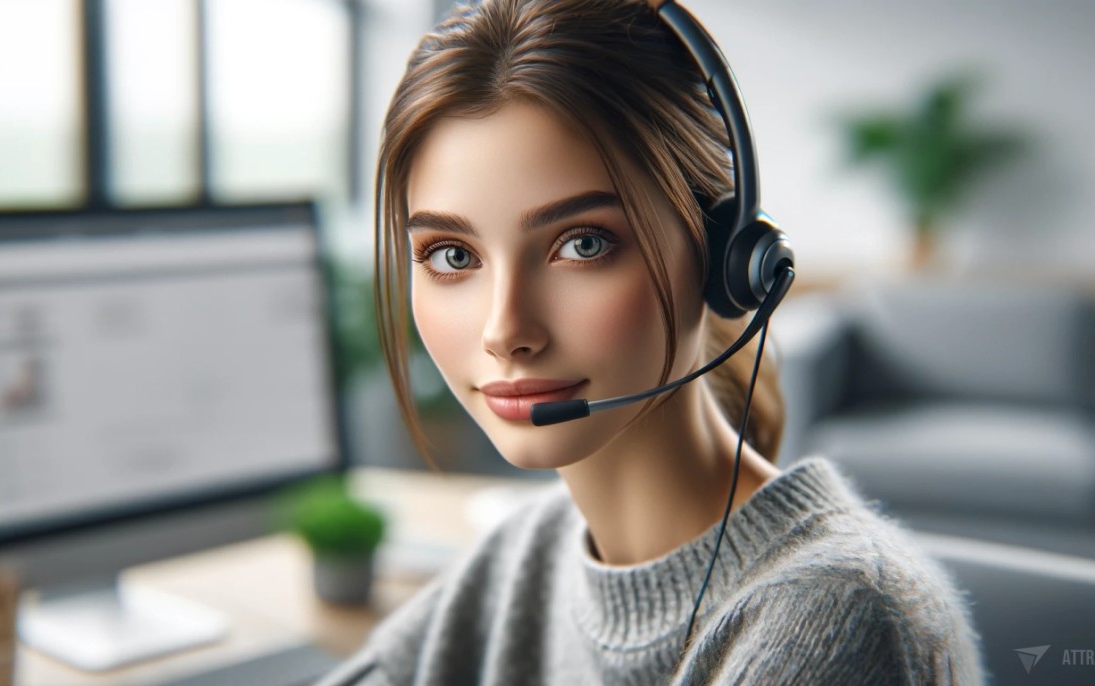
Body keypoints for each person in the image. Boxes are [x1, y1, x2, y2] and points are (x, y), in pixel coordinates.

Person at [319, 0, 986, 684]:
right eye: (452, 256)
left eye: (582, 244)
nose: (504, 331)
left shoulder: (838, 619)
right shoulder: (531, 549)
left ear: (726, 256)